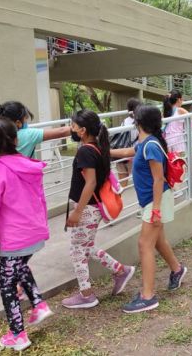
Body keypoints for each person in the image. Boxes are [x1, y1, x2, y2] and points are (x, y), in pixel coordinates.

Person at [0, 119, 53, 351]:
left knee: (7, 284)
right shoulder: (28, 165)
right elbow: (41, 200)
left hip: (15, 239)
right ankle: (38, 304)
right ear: (16, 140)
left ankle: (18, 334)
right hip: (34, 234)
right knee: (19, 268)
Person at [111, 105, 187, 313]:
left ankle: (148, 296)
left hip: (157, 200)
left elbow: (158, 178)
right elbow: (128, 151)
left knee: (144, 244)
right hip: (154, 200)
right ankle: (177, 270)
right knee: (158, 241)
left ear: (139, 123)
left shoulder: (151, 146)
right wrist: (105, 152)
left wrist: (155, 209)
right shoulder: (145, 143)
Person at [62, 110, 135, 309]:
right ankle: (121, 270)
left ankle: (86, 295)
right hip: (92, 208)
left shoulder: (86, 151)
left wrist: (78, 211)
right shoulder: (99, 148)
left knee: (78, 250)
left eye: (74, 126)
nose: (72, 129)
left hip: (87, 208)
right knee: (85, 246)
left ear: (83, 130)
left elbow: (91, 182)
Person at [0, 101, 71, 209]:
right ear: (18, 123)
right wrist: (80, 127)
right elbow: (62, 131)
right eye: (25, 118)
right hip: (21, 192)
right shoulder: (27, 135)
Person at [115, 98, 140, 187]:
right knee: (139, 180)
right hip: (133, 154)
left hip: (122, 155)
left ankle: (119, 200)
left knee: (122, 185)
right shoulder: (138, 123)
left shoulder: (124, 122)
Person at [163, 90, 188, 156]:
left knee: (171, 160)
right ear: (178, 99)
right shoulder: (180, 110)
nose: (182, 101)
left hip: (167, 137)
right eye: (182, 99)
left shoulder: (167, 110)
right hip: (177, 137)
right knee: (177, 161)